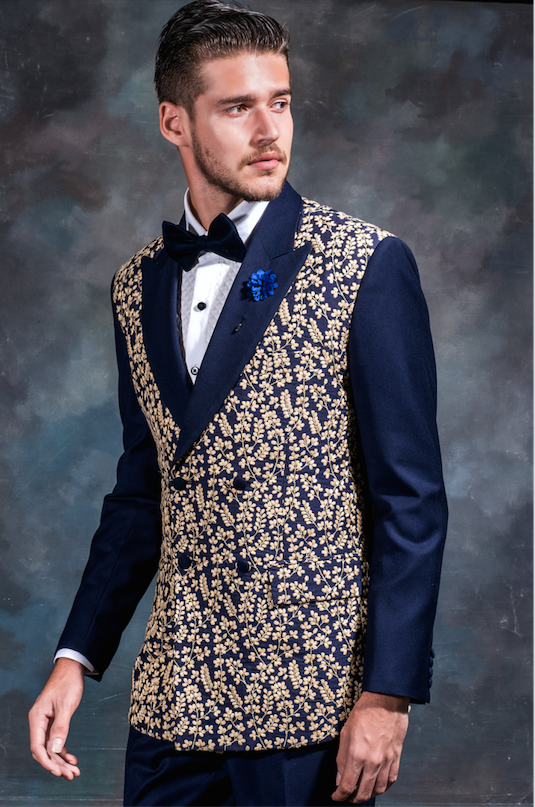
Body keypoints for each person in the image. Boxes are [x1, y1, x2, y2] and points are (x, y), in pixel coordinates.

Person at [28, 1, 448, 804]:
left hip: (308, 705)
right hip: (172, 701)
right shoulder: (135, 285)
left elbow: (410, 499)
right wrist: (75, 657)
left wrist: (388, 693)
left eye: (280, 102)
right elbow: (143, 493)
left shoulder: (365, 264)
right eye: (236, 107)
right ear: (173, 122)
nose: (268, 130)